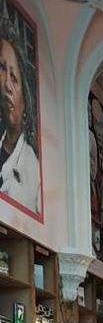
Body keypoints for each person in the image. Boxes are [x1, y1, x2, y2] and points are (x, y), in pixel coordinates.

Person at [0, 26, 40, 214]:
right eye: (1, 68)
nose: (6, 84)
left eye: (14, 78)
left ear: (26, 101)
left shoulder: (32, 168)